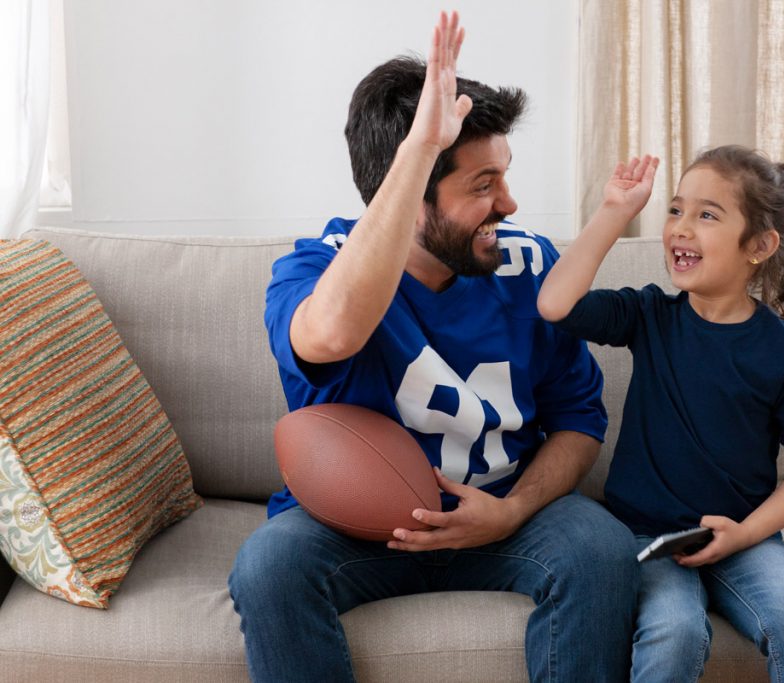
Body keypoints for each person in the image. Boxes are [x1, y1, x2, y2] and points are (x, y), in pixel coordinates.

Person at [228, 12, 638, 683]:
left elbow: (579, 419)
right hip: (355, 529)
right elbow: (330, 335)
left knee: (601, 549)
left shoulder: (530, 264)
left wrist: (511, 511)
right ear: (411, 198)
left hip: (503, 516)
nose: (510, 201)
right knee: (268, 566)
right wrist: (417, 150)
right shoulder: (312, 270)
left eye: (503, 175)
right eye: (482, 185)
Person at [537, 146, 784, 682]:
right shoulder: (649, 314)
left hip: (745, 535)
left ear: (760, 246)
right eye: (675, 210)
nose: (680, 228)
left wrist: (744, 534)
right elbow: (555, 305)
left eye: (706, 215)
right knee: (674, 634)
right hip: (644, 537)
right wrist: (613, 212)